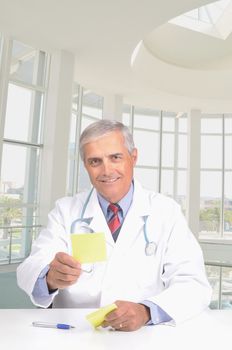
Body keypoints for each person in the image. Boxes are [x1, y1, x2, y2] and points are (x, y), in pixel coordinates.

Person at [17, 119, 212, 331]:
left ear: (133, 157)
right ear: (86, 166)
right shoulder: (66, 211)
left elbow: (194, 284)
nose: (106, 170)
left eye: (115, 157)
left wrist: (146, 311)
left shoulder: (166, 212)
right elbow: (30, 267)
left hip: (144, 337)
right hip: (77, 335)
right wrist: (50, 277)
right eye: (95, 161)